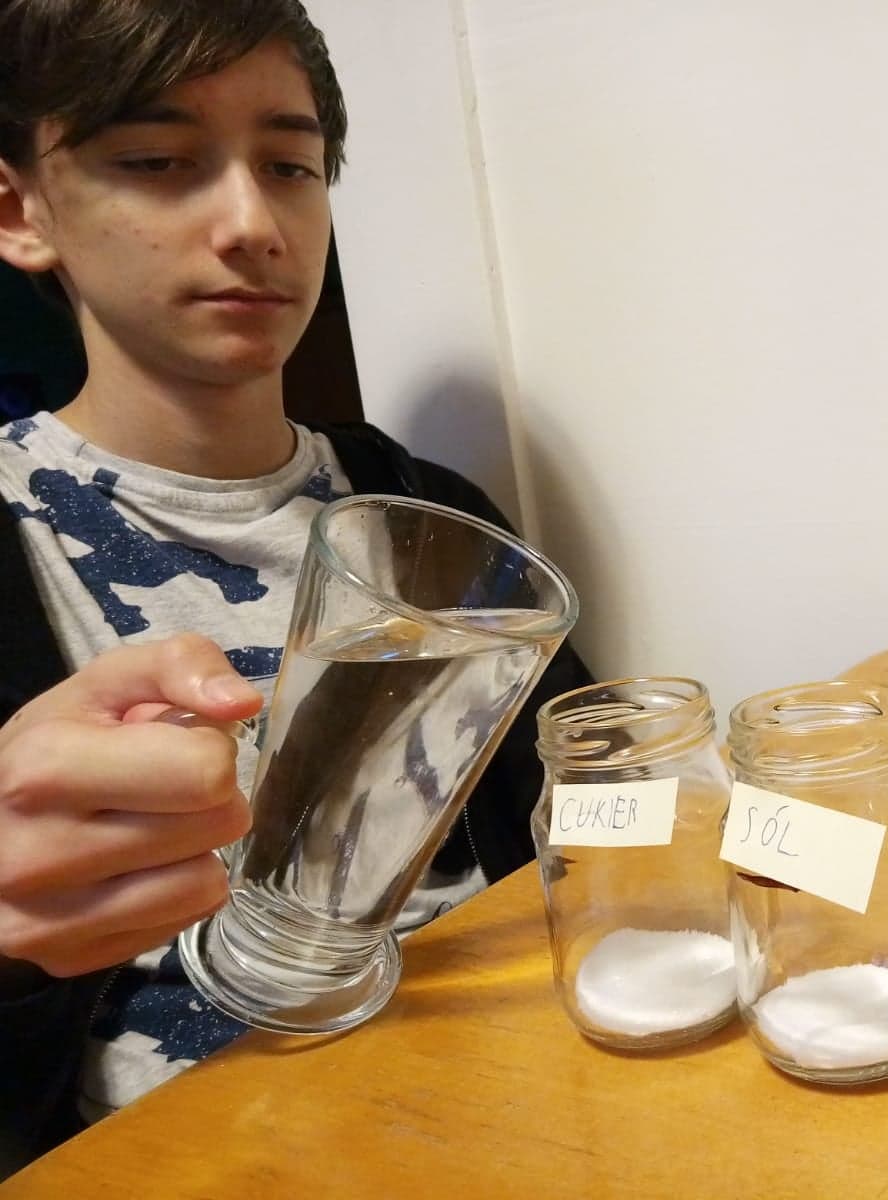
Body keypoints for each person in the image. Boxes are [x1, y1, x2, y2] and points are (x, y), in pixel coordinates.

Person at [0, 0, 592, 1176]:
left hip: (501, 1114)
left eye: (290, 166)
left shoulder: (425, 508)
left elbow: (584, 810)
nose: (251, 224)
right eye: (158, 162)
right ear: (22, 212)